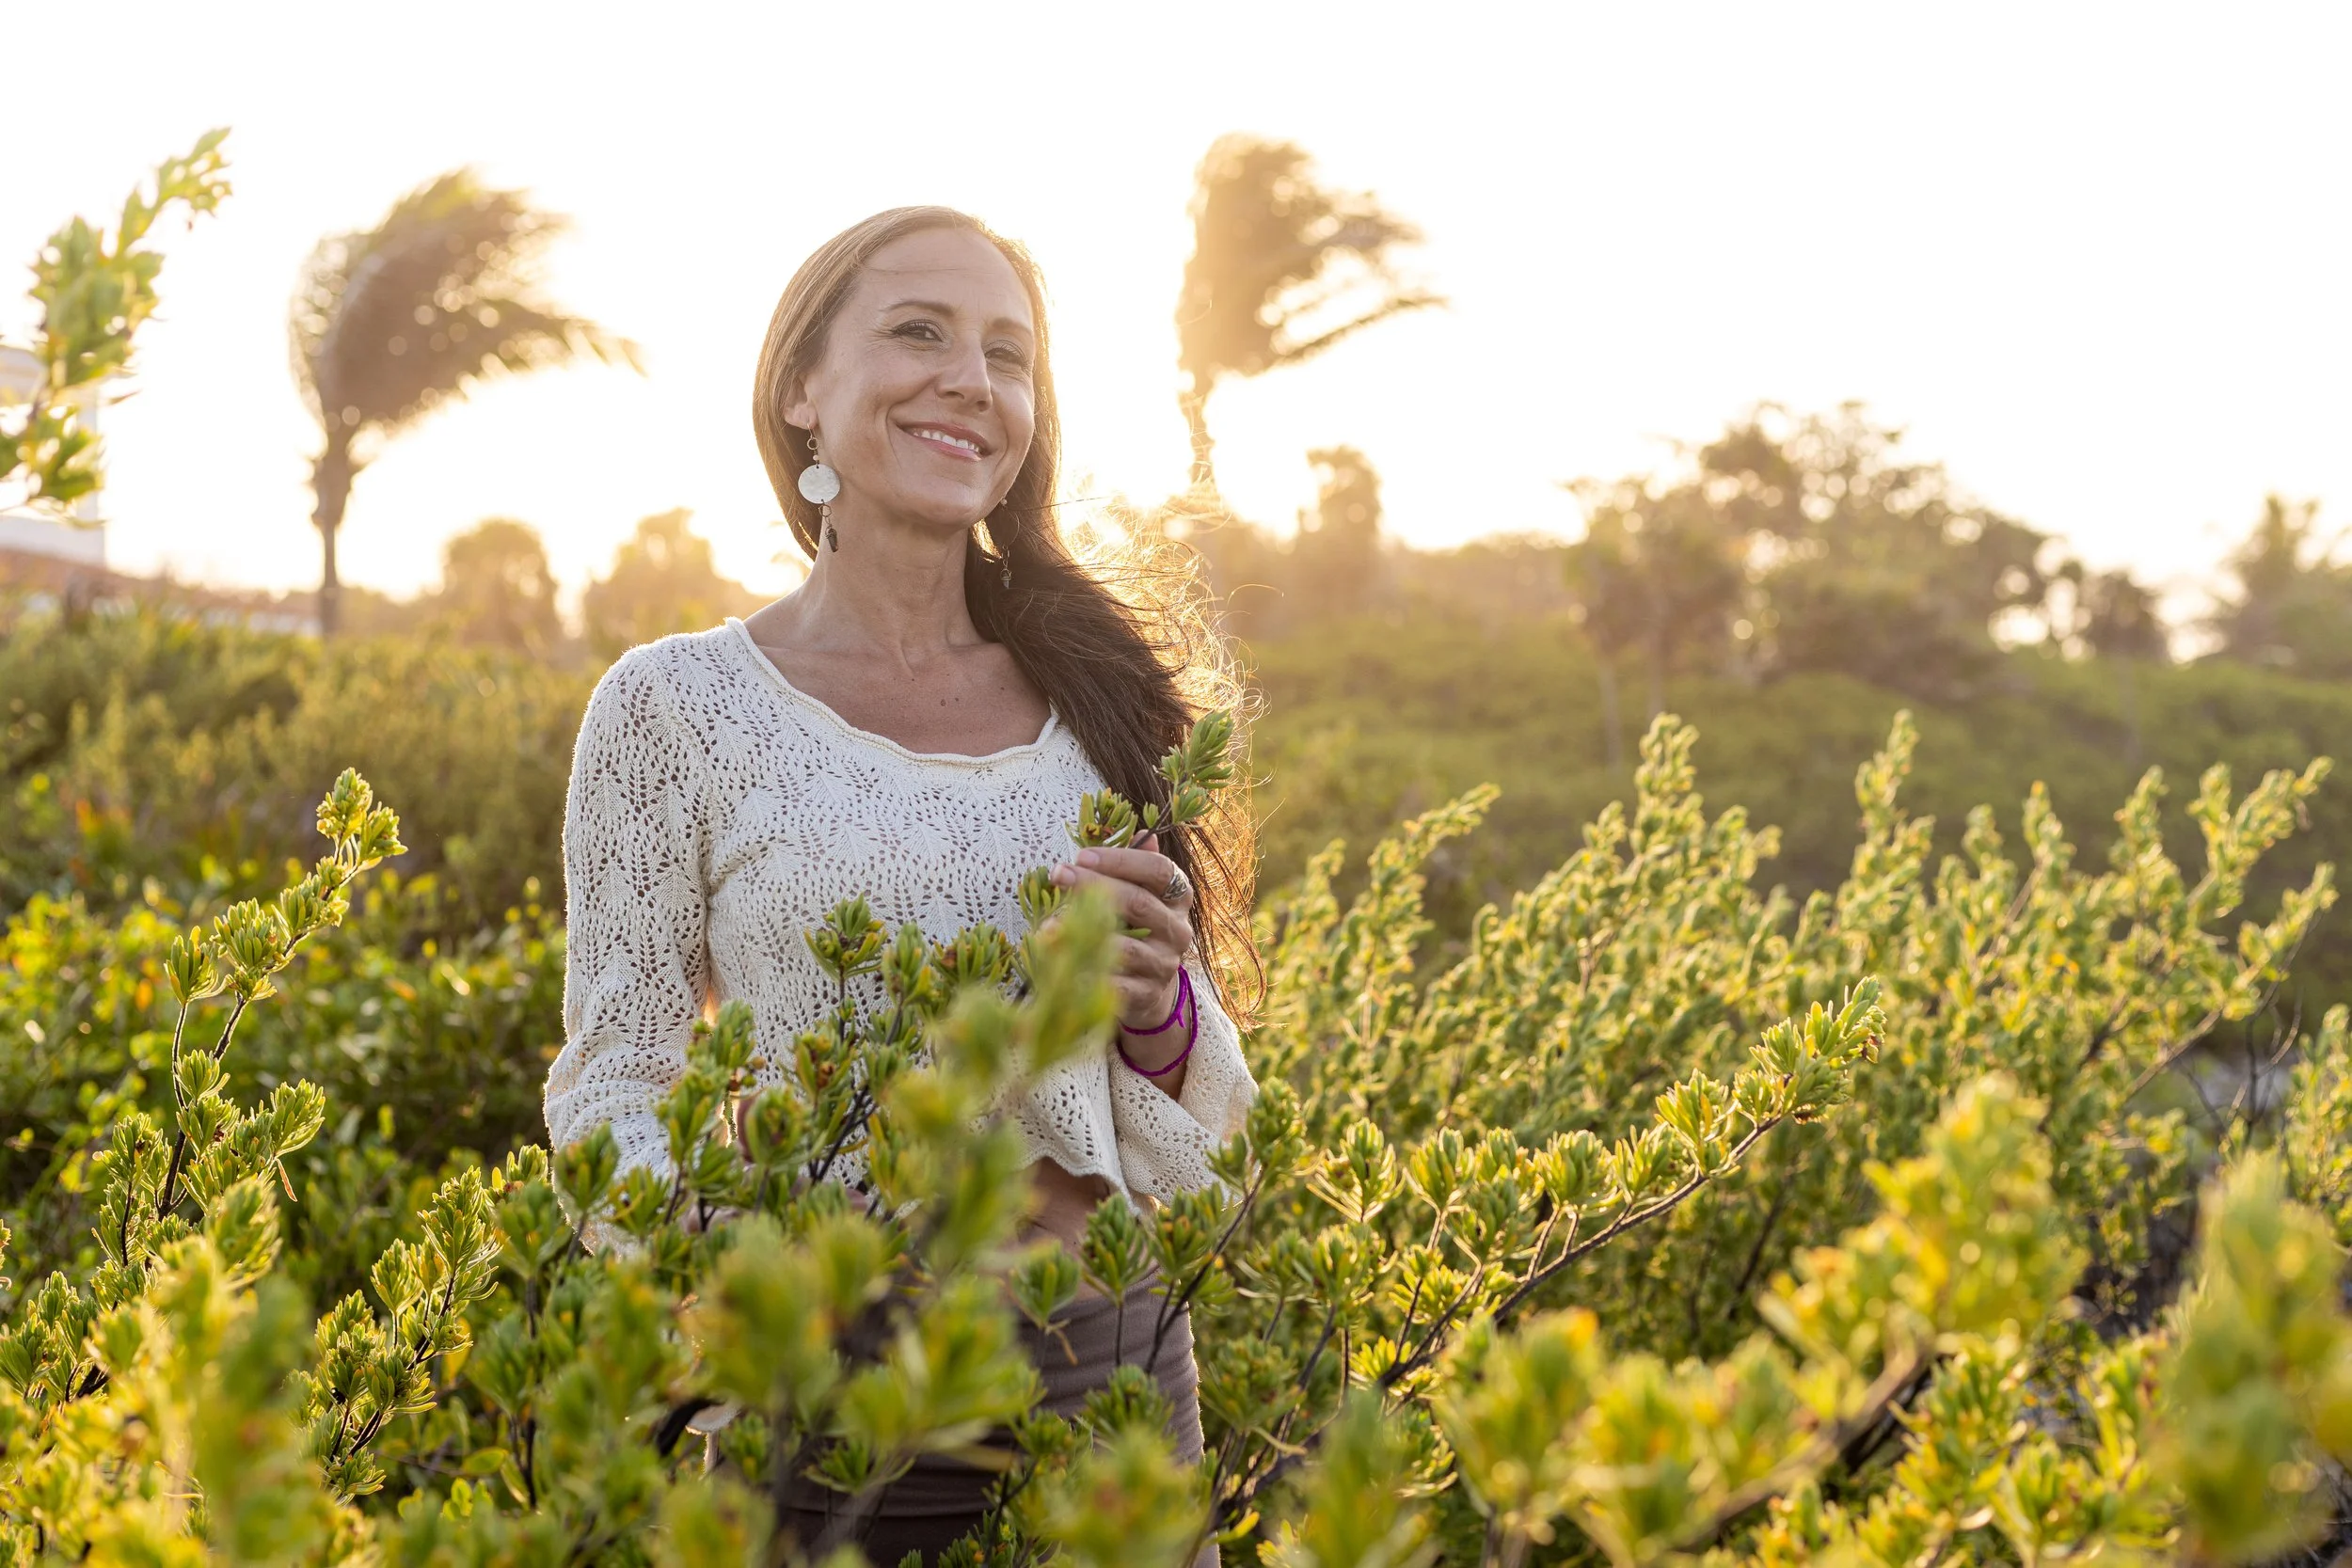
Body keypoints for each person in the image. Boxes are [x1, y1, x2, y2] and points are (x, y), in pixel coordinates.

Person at [541, 206, 1258, 1565]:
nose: (969, 381)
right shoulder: (671, 707)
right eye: (917, 332)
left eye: (1007, 355)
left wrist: (1158, 1007)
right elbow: (615, 1079)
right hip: (831, 1383)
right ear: (800, 390)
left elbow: (1197, 1106)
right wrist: (737, 1285)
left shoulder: (1098, 704)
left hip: (1106, 1363)